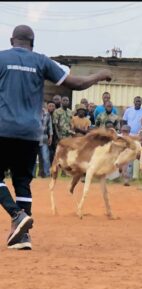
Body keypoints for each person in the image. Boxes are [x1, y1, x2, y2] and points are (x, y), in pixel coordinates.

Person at [0, 24, 112, 250]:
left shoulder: (1, 59)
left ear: (12, 41)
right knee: (22, 181)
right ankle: (22, 238)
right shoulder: (41, 61)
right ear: (32, 43)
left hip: (3, 129)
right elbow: (77, 84)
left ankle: (16, 214)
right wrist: (101, 74)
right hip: (31, 133)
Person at [35, 104, 53, 178]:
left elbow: (50, 127)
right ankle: (32, 175)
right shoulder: (34, 113)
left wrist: (50, 137)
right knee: (33, 158)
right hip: (34, 138)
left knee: (45, 157)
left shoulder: (47, 115)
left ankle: (47, 174)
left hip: (44, 138)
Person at [47, 100, 57, 165]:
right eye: (50, 106)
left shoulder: (56, 115)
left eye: (53, 106)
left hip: (55, 136)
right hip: (47, 136)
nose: (51, 107)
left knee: (54, 152)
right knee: (49, 152)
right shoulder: (45, 115)